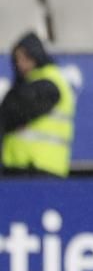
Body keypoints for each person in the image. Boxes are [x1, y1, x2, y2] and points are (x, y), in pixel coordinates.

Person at [0, 31, 75, 177]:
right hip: (24, 167)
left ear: (36, 56)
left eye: (25, 58)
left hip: (38, 168)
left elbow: (11, 112)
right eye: (17, 59)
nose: (20, 64)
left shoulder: (48, 83)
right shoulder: (39, 82)